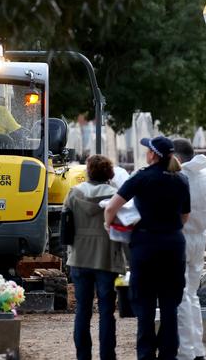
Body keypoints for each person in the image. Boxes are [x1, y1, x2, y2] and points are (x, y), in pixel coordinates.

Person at [104, 136, 191, 360]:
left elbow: (112, 206)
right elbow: (185, 216)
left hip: (146, 245)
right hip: (173, 245)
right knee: (170, 305)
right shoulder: (181, 179)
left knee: (145, 306)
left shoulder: (142, 177)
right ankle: (168, 354)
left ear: (152, 154)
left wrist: (108, 224)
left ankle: (146, 354)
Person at [64, 155, 126, 360]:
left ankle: (83, 356)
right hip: (107, 258)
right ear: (109, 173)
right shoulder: (116, 195)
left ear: (88, 171)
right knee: (107, 312)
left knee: (82, 310)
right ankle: (107, 355)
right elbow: (124, 229)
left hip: (80, 257)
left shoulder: (74, 194)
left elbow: (65, 230)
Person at [173, 139, 206, 360]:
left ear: (177, 158)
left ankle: (185, 351)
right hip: (200, 236)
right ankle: (197, 349)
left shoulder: (181, 177)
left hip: (182, 236)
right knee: (192, 295)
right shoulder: (205, 175)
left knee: (180, 297)